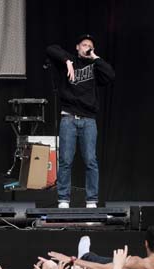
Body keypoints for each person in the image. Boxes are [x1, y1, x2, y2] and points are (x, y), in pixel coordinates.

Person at [46, 34, 115, 209]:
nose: (87, 47)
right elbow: (51, 49)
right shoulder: (67, 63)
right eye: (84, 44)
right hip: (68, 117)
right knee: (65, 161)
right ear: (77, 47)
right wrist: (68, 61)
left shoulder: (94, 66)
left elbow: (110, 75)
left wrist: (96, 58)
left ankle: (91, 200)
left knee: (91, 161)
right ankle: (63, 199)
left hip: (89, 120)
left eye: (90, 45)